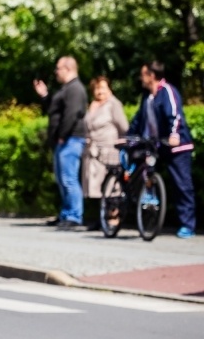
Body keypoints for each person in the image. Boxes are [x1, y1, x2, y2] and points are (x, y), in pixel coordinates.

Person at [127, 61, 196, 238]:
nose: (141, 78)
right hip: (156, 145)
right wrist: (128, 136)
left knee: (182, 185)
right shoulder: (147, 96)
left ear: (151, 75)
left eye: (143, 74)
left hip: (176, 146)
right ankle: (147, 213)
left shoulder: (167, 91)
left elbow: (175, 115)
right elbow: (138, 119)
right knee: (144, 174)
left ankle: (188, 225)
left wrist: (174, 135)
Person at [33, 56, 88, 230]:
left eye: (58, 69)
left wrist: (63, 135)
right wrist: (45, 96)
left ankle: (74, 216)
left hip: (71, 139)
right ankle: (66, 214)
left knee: (69, 178)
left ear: (68, 68)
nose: (56, 72)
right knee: (62, 179)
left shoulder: (75, 89)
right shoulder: (66, 89)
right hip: (63, 140)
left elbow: (71, 115)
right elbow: (55, 110)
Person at [82, 76, 128, 229]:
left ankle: (113, 217)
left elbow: (124, 127)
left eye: (103, 87)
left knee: (111, 186)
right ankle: (101, 217)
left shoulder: (114, 104)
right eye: (96, 88)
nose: (100, 91)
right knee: (97, 186)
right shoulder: (93, 105)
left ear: (109, 88)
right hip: (93, 150)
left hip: (109, 149)